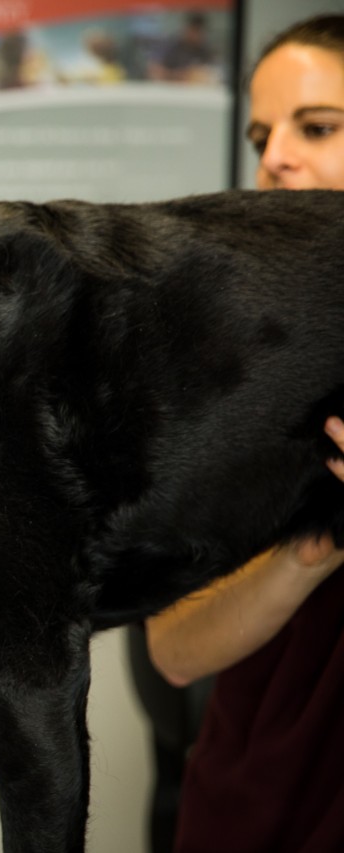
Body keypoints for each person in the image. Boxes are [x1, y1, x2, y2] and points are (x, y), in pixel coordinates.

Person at [144, 15, 344, 852]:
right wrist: (308, 546)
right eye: (263, 134)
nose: (275, 158)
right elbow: (175, 648)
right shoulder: (224, 356)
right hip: (257, 804)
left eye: (318, 127)